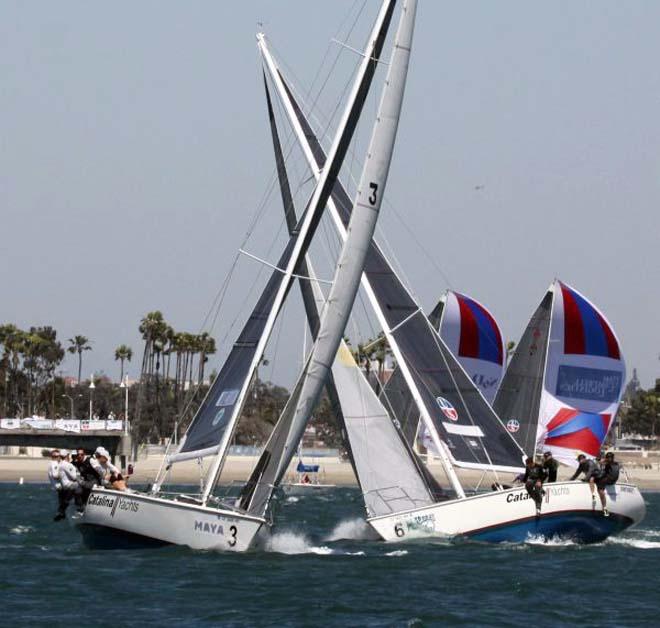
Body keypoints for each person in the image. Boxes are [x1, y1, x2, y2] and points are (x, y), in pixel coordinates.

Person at [594, 452, 620, 517]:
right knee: (599, 478)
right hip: (614, 480)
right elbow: (605, 469)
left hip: (609, 480)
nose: (609, 459)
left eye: (608, 458)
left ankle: (604, 508)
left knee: (600, 489)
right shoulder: (616, 463)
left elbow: (602, 463)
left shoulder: (608, 462)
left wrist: (600, 461)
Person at [58, 450, 83, 515]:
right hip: (68, 484)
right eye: (73, 456)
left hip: (64, 484)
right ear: (68, 456)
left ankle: (64, 506)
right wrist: (79, 475)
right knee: (79, 486)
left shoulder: (60, 464)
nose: (74, 457)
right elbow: (74, 477)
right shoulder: (67, 464)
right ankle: (80, 507)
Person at [47, 449, 67, 521]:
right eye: (56, 456)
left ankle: (61, 513)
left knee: (62, 499)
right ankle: (61, 512)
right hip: (59, 485)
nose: (58, 458)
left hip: (56, 486)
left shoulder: (51, 463)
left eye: (59, 456)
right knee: (66, 498)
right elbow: (55, 475)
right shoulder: (54, 464)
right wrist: (64, 475)